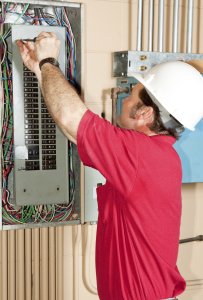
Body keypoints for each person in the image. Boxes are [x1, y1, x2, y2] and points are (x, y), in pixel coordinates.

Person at [16, 32, 191, 300]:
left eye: (131, 95)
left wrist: (49, 60)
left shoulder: (141, 154)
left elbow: (70, 116)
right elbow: (74, 131)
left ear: (145, 112)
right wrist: (40, 70)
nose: (124, 99)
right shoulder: (154, 155)